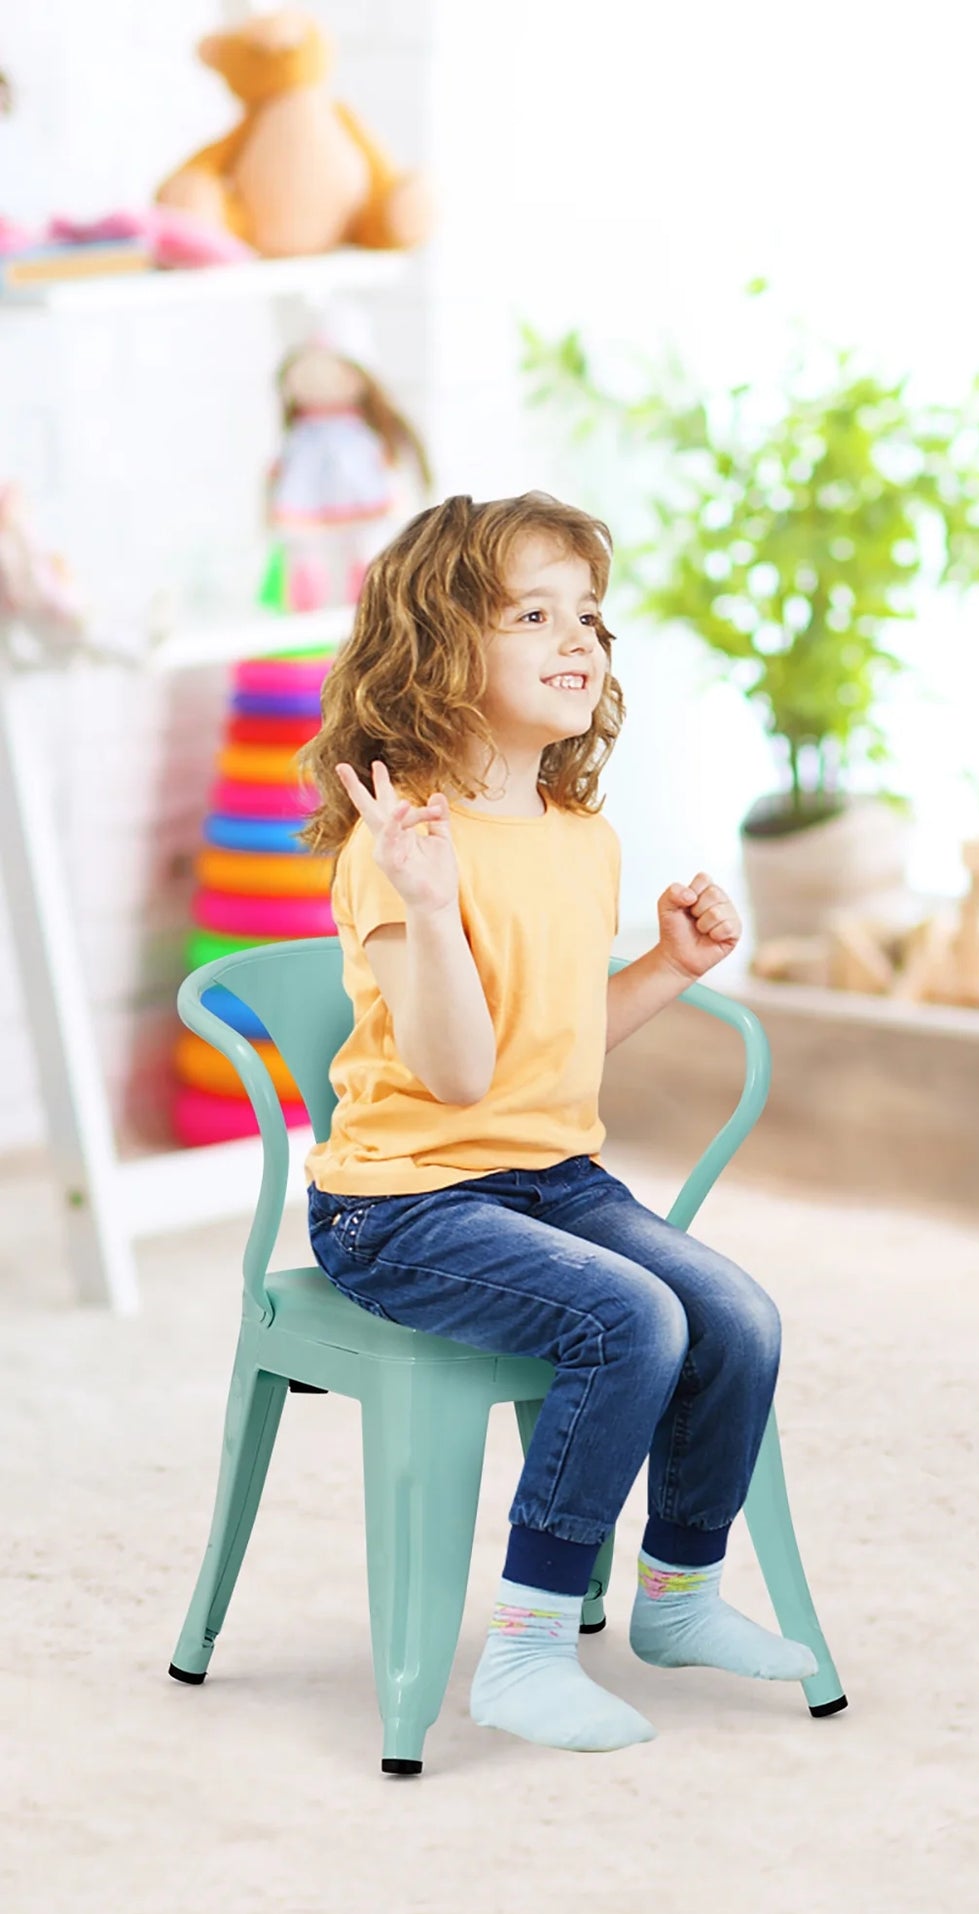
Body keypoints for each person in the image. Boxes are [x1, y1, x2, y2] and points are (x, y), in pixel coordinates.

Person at [300, 490, 816, 1756]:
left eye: (586, 612)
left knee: (738, 1316)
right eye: (531, 612)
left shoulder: (581, 837)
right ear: (437, 647)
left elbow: (554, 1039)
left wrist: (666, 968)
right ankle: (525, 1648)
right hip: (401, 1202)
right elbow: (460, 1072)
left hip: (549, 1177)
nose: (576, 635)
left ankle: (679, 1593)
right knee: (629, 1317)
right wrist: (427, 907)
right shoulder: (401, 845)